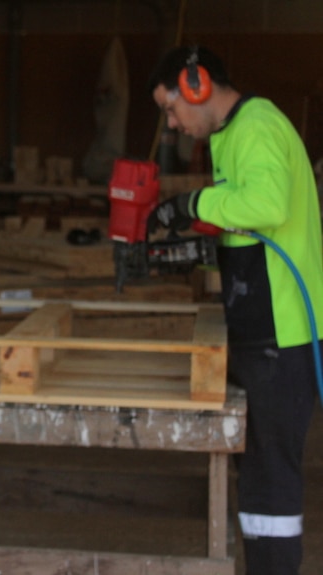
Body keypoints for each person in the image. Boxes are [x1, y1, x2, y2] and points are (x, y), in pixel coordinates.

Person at [147, 45, 323, 575]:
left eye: (173, 108)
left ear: (198, 86)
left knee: (271, 479)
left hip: (283, 335)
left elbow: (268, 205)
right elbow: (246, 217)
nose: (173, 124)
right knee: (260, 475)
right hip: (261, 330)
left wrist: (191, 204)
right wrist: (197, 237)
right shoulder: (232, 135)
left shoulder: (257, 126)